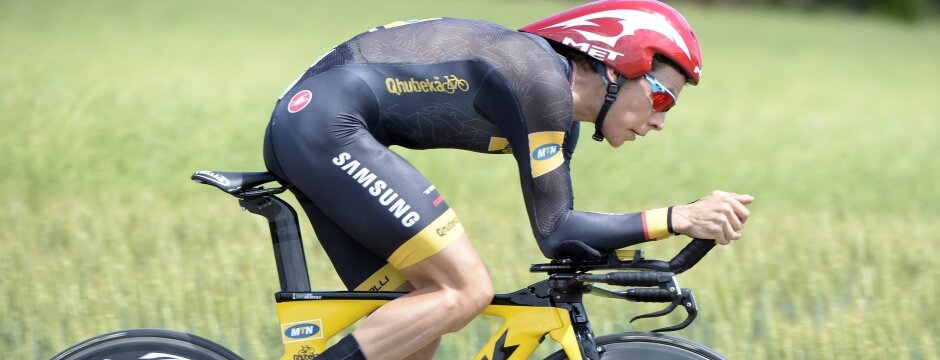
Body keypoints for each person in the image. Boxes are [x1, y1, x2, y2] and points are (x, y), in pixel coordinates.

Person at [262, 0, 754, 359]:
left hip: (312, 130)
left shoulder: (557, 122)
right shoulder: (541, 81)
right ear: (616, 66)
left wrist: (659, 241)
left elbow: (560, 234)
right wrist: (680, 216)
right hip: (323, 123)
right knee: (465, 290)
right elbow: (558, 232)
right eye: (663, 98)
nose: (661, 121)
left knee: (417, 331)